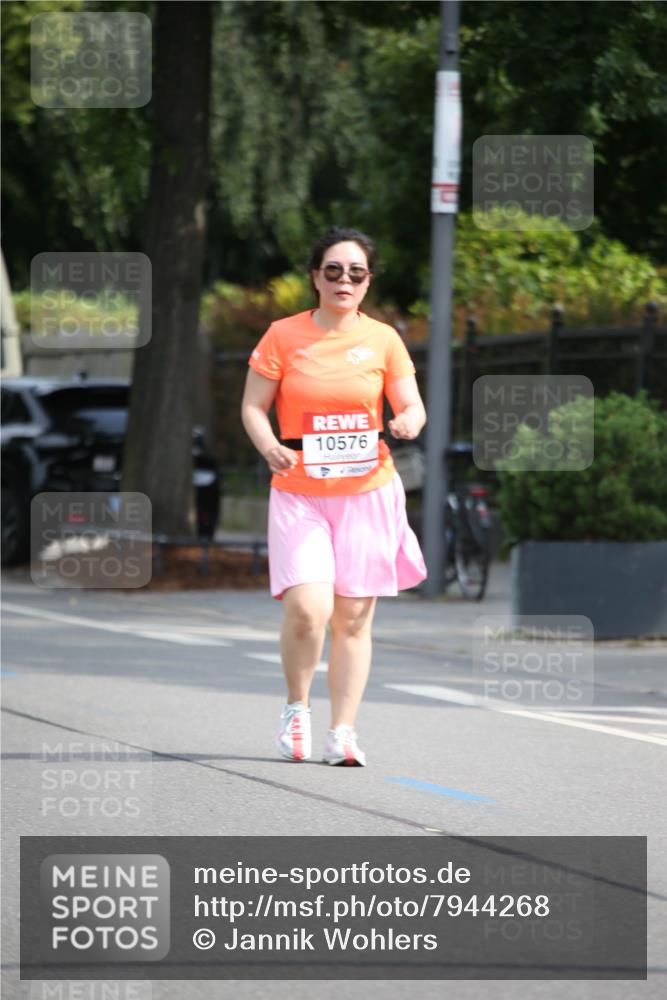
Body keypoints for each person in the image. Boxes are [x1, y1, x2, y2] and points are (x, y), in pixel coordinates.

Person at [241, 226, 427, 767]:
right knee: (308, 610)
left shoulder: (384, 340)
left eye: (356, 273)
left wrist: (409, 421)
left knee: (352, 618)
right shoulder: (283, 336)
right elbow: (253, 407)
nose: (344, 281)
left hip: (367, 490)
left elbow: (412, 404)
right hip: (300, 489)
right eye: (333, 271)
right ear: (315, 277)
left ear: (367, 282)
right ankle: (296, 708)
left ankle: (342, 732)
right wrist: (269, 445)